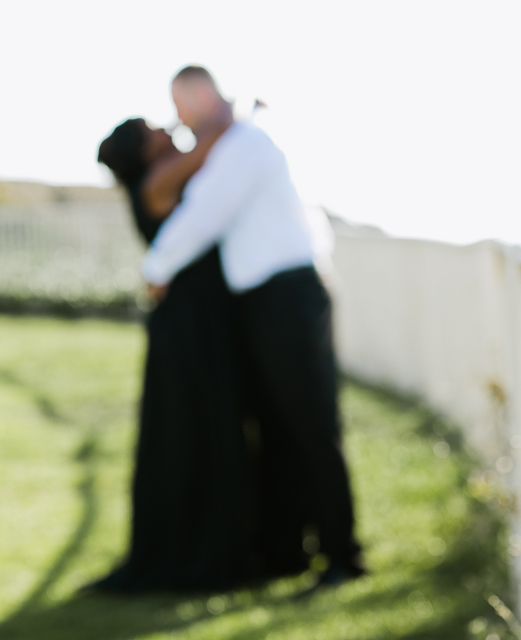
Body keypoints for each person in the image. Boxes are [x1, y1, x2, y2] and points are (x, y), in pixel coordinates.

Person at [142, 66, 364, 586]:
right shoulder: (236, 144)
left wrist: (155, 269)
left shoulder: (245, 145)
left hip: (287, 298)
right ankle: (290, 552)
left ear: (202, 94)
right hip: (268, 302)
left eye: (181, 104)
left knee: (310, 425)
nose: (178, 119)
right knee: (279, 429)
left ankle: (343, 556)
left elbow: (204, 214)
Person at [94, 115, 260, 591]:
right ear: (145, 151)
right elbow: (210, 143)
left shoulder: (156, 176)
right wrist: (233, 110)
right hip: (188, 331)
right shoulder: (159, 178)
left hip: (198, 322)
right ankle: (203, 551)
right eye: (155, 128)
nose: (168, 128)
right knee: (197, 432)